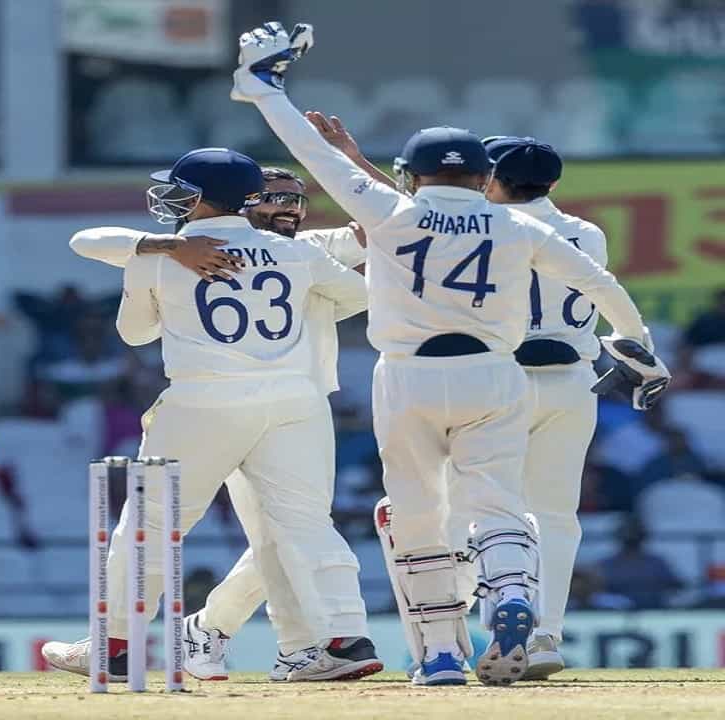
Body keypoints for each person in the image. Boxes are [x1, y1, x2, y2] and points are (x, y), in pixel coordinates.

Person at [231, 22, 668, 686]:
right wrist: (636, 339)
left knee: (417, 517)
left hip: (408, 377)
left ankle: (439, 655)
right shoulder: (517, 224)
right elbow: (598, 282)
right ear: (483, 176)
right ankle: (514, 596)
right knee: (501, 510)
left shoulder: (392, 214)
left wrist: (264, 90)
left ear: (411, 176)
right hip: (493, 376)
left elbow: (312, 155)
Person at [41, 146, 370, 684]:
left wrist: (165, 258)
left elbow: (135, 333)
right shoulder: (296, 252)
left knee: (150, 524)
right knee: (307, 524)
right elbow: (359, 294)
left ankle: (118, 646)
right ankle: (346, 637)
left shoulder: (156, 256)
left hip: (202, 401)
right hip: (294, 402)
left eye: (180, 189)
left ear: (199, 197)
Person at [318, 125, 617, 680]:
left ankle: (448, 642)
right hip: (571, 381)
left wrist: (354, 162)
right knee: (554, 515)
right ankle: (544, 635)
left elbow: (410, 219)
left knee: (452, 514)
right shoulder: (586, 234)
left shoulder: (495, 227)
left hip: (493, 376)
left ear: (491, 181)